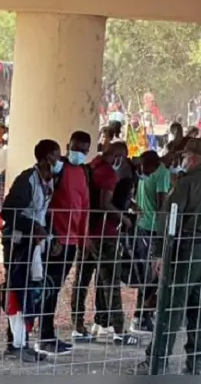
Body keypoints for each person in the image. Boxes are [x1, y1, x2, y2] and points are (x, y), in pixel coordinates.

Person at [138, 138, 201, 375]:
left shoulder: (186, 182)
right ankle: (196, 364)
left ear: (192, 158)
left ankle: (157, 360)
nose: (182, 160)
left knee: (172, 305)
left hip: (189, 248)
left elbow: (168, 218)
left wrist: (159, 252)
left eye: (184, 157)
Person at [0, 139, 61, 363]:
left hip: (35, 243)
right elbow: (7, 212)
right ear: (46, 158)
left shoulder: (49, 181)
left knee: (31, 292)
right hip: (19, 243)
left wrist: (51, 235)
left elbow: (44, 213)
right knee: (18, 290)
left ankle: (23, 341)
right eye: (56, 156)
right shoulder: (27, 180)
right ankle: (15, 344)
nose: (59, 161)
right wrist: (33, 227)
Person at [71, 143, 137, 345]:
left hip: (86, 232)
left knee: (81, 281)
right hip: (105, 233)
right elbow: (105, 203)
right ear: (117, 156)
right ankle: (119, 330)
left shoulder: (90, 167)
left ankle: (78, 327)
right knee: (110, 282)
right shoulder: (108, 173)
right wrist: (124, 219)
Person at [37, 131, 92, 358]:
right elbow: (45, 202)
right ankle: (44, 336)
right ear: (69, 146)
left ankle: (47, 334)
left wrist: (84, 238)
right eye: (76, 149)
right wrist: (51, 235)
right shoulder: (58, 170)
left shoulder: (82, 172)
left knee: (56, 287)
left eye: (84, 150)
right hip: (56, 239)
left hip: (72, 240)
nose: (79, 153)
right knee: (49, 287)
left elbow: (84, 206)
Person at [132, 150, 170, 333]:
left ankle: (143, 313)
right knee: (148, 274)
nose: (141, 169)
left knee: (152, 274)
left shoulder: (161, 174)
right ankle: (141, 315)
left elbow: (161, 203)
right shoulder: (147, 174)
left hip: (152, 228)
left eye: (143, 166)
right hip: (145, 227)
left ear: (152, 165)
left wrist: (163, 230)